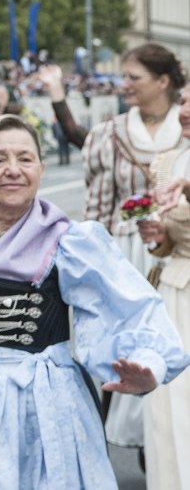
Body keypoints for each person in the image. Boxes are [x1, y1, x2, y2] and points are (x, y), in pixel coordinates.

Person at [0, 114, 189, 489]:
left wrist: (148, 363)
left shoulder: (70, 240)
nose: (13, 170)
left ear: (41, 169)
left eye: (25, 159)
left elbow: (130, 306)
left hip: (46, 403)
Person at [82, 43, 188, 449]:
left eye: (133, 77)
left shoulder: (185, 128)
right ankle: (146, 441)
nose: (124, 85)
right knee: (127, 346)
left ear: (162, 81)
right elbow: (97, 207)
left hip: (177, 253)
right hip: (126, 251)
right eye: (123, 76)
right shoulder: (112, 134)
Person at [138, 82, 190, 490]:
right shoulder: (168, 161)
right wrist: (157, 237)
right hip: (174, 291)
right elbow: (167, 243)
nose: (185, 110)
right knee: (169, 407)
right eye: (184, 101)